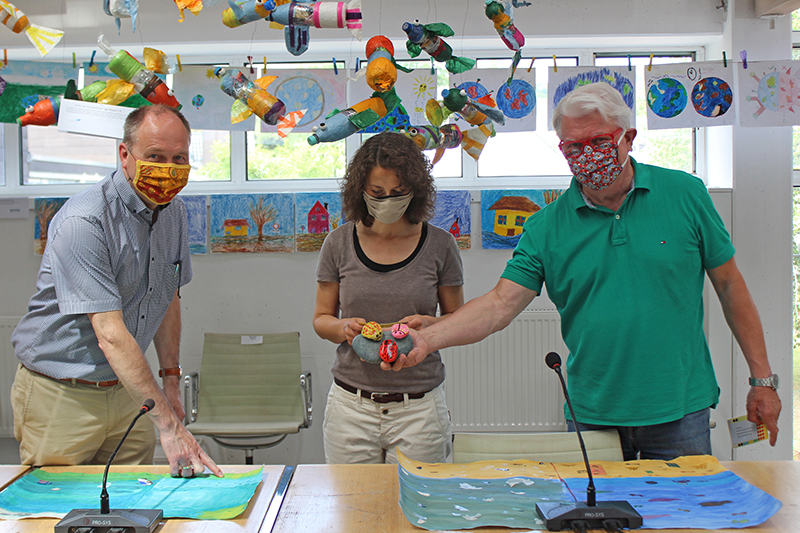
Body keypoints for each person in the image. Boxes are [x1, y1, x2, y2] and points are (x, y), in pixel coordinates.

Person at [390, 83, 782, 461]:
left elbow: (730, 286)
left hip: (680, 411)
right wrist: (430, 338)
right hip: (593, 416)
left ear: (627, 138)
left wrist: (761, 380)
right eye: (574, 148)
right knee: (597, 526)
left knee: (685, 526)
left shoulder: (686, 194)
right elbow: (498, 305)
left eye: (598, 143)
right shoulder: (545, 227)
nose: (587, 156)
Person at [11, 104, 222, 478]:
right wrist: (170, 427)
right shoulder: (85, 220)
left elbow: (166, 296)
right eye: (155, 156)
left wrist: (170, 379)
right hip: (63, 394)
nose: (168, 169)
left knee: (131, 506)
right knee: (54, 511)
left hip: (131, 391)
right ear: (125, 154)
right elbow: (109, 332)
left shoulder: (173, 212)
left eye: (179, 158)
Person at [313, 132, 464, 464]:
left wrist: (430, 327)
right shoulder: (338, 243)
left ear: (416, 190)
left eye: (398, 193)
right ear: (360, 189)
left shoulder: (440, 245)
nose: (387, 201)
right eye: (377, 193)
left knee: (419, 510)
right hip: (351, 407)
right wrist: (343, 329)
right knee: (352, 509)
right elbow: (321, 319)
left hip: (419, 407)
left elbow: (459, 321)